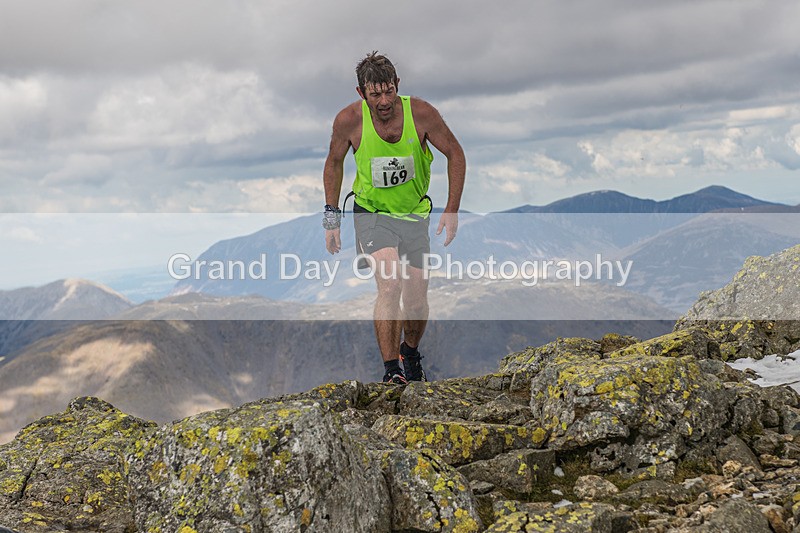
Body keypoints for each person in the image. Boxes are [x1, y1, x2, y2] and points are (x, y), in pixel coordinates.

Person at [322, 51, 466, 385]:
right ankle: (392, 373)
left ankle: (410, 353)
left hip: (414, 216)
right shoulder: (348, 121)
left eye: (389, 91)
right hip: (371, 214)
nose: (384, 101)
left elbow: (455, 152)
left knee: (416, 299)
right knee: (390, 284)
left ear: (397, 85)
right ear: (362, 94)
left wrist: (452, 207)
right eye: (375, 94)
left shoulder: (422, 114)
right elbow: (333, 163)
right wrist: (332, 218)